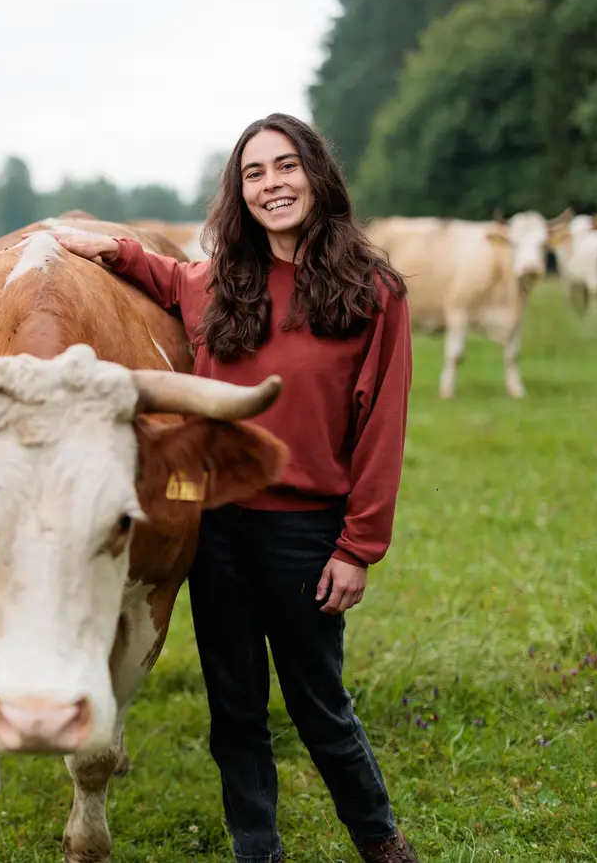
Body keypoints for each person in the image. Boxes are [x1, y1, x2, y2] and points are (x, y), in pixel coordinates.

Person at [47, 113, 419, 863]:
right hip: (213, 526)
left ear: (316, 175)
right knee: (235, 707)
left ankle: (379, 842)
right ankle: (259, 849)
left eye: (285, 167)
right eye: (254, 174)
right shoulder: (221, 281)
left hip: (308, 534)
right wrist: (110, 249)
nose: (272, 185)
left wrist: (359, 547)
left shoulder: (374, 292)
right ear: (238, 192)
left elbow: (383, 425)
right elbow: (165, 276)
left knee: (320, 707)